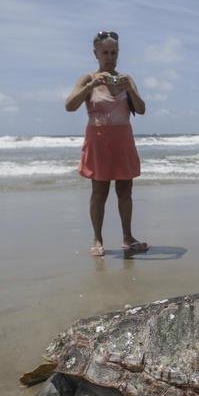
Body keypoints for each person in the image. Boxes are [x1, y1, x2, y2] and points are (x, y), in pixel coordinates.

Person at [65, 30, 148, 257]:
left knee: (125, 191)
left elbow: (141, 109)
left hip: (123, 140)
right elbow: (70, 105)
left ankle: (127, 237)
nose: (110, 57)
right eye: (105, 53)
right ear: (96, 54)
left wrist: (129, 88)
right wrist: (90, 87)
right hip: (99, 141)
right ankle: (97, 238)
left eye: (114, 53)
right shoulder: (88, 79)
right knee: (99, 192)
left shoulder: (126, 79)